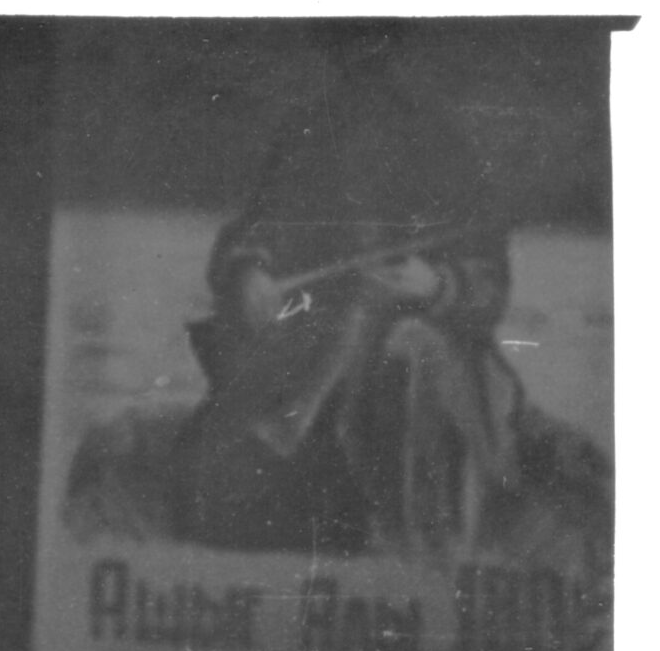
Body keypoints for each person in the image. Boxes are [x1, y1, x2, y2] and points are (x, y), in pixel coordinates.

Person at [62, 58, 612, 573]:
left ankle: (410, 548)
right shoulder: (313, 140)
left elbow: (487, 284)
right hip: (311, 338)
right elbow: (254, 231)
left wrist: (437, 284)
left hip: (432, 348)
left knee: (408, 354)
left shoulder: (443, 150)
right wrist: (250, 269)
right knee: (258, 407)